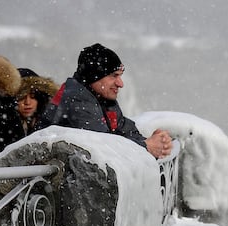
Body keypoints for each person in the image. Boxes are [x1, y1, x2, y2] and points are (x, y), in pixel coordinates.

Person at [38, 43, 172, 158]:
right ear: (94, 76)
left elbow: (124, 130)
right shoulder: (77, 100)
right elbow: (102, 146)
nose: (120, 83)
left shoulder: (102, 98)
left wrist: (151, 142)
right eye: (114, 76)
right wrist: (146, 146)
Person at [15, 68, 59, 135]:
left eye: (33, 96)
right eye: (21, 97)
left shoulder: (53, 123)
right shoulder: (3, 126)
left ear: (41, 98)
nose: (27, 102)